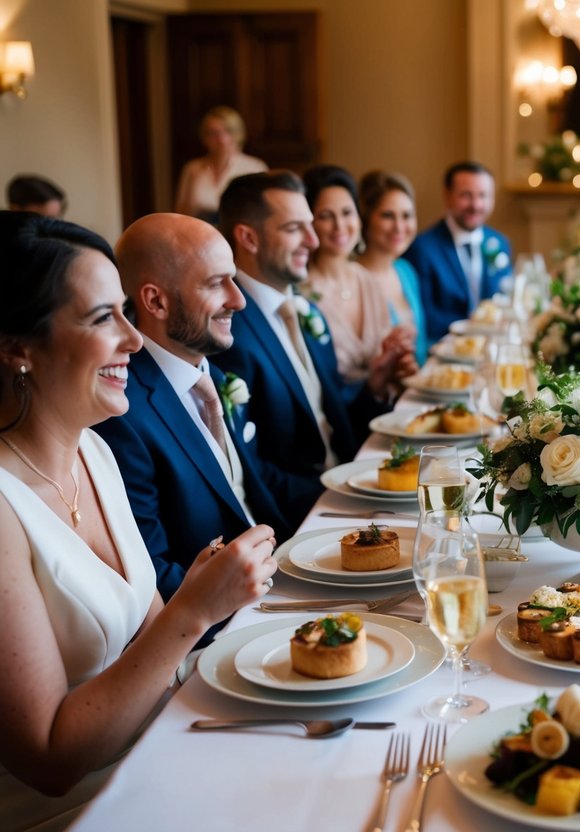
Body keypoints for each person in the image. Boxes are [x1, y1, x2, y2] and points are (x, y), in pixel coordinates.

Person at [0, 211, 275, 829]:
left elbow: (160, 653)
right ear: (18, 348)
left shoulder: (92, 451)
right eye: (104, 318)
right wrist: (195, 610)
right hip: (78, 810)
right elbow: (49, 761)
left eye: (127, 310)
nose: (133, 338)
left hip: (160, 760)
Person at [92, 213, 289, 600]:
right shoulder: (123, 415)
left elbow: (250, 483)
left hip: (280, 571)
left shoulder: (210, 369)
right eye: (217, 284)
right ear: (156, 301)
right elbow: (154, 574)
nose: (239, 299)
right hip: (226, 621)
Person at [212, 171, 392, 528]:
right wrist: (340, 500)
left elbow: (332, 414)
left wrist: (375, 384)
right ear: (248, 237)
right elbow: (250, 467)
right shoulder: (229, 332)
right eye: (295, 228)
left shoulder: (305, 311)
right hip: (308, 513)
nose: (313, 240)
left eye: (311, 225)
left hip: (350, 479)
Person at [301, 165, 416, 390]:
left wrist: (398, 366)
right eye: (326, 216)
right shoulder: (302, 295)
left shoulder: (367, 281)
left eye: (347, 212)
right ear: (310, 222)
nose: (340, 226)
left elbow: (385, 369)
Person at [406, 161, 512, 344]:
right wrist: (472, 328)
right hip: (444, 349)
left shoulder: (500, 242)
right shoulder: (422, 248)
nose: (476, 205)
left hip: (494, 345)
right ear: (447, 196)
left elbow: (506, 297)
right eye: (466, 195)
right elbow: (425, 316)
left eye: (483, 196)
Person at [356, 170, 428, 363]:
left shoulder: (405, 270)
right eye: (388, 216)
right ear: (365, 219)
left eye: (407, 215)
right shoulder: (354, 280)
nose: (399, 226)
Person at [173, 106, 267, 223]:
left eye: (226, 131)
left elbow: (261, 213)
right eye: (213, 133)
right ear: (204, 137)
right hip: (199, 231)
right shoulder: (192, 168)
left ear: (237, 134)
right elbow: (180, 214)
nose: (220, 139)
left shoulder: (254, 167)